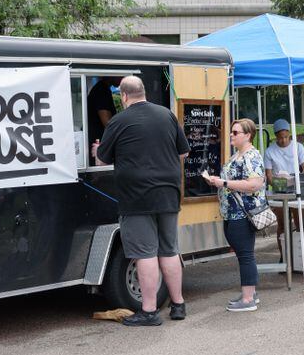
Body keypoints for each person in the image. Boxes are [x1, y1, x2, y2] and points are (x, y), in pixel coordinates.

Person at [93, 76, 190, 326]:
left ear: (123, 96)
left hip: (137, 197)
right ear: (143, 92)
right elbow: (184, 151)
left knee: (145, 254)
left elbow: (102, 160)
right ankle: (178, 305)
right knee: (169, 250)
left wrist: (96, 150)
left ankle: (149, 311)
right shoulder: (166, 115)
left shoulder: (118, 121)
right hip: (169, 193)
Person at [206, 118, 267, 312]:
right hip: (232, 213)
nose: (231, 135)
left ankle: (248, 299)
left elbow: (254, 184)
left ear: (248, 135)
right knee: (244, 255)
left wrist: (223, 183)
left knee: (246, 255)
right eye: (231, 132)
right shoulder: (238, 156)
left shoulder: (251, 156)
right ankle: (250, 293)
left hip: (242, 213)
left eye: (235, 132)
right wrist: (218, 181)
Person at [264, 118, 304, 256]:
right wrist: (279, 183)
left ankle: (301, 254)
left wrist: (302, 179)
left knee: (300, 223)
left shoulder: (298, 147)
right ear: (276, 137)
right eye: (280, 138)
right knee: (282, 225)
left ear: (289, 134)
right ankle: (284, 255)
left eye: (285, 137)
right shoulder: (270, 151)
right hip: (279, 190)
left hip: (296, 188)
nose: (283, 140)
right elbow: (269, 175)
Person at [88, 76, 121, 148]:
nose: (123, 78)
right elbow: (108, 124)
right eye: (121, 75)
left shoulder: (102, 89)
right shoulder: (101, 90)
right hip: (99, 143)